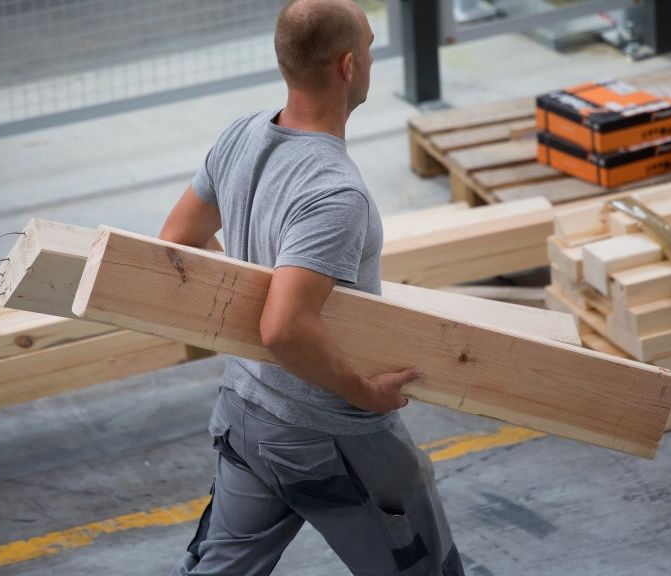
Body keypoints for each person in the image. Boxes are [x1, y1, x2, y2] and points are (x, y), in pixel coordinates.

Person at [160, 1, 462, 574]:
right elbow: (285, 326)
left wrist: (258, 294)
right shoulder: (334, 193)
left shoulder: (241, 135)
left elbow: (178, 238)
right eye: (371, 47)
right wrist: (364, 393)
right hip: (330, 437)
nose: (373, 59)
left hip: (245, 413)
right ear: (349, 66)